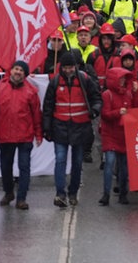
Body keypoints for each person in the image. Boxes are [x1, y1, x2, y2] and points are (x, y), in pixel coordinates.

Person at [42, 51, 101, 208]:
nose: (68, 70)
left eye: (71, 67)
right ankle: (60, 193)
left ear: (75, 66)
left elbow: (96, 97)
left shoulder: (84, 80)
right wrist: (46, 127)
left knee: (76, 162)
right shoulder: (55, 82)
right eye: (65, 67)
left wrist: (94, 110)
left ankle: (73, 192)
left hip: (80, 126)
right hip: (60, 126)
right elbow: (48, 106)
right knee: (60, 160)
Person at [0, 60, 43, 211]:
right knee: (5, 166)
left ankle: (21, 198)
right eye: (16, 69)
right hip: (5, 134)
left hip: (25, 135)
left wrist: (38, 134)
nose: (18, 72)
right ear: (11, 71)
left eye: (21, 71)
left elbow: (37, 115)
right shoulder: (0, 88)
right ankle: (9, 192)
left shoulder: (31, 91)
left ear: (25, 74)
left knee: (24, 167)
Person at [98, 67, 138, 206]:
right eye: (120, 78)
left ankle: (123, 193)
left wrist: (136, 93)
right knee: (110, 163)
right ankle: (106, 194)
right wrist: (118, 112)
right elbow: (105, 114)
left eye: (124, 78)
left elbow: (136, 109)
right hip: (110, 134)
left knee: (124, 167)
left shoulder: (128, 93)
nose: (122, 81)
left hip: (124, 134)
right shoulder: (107, 94)